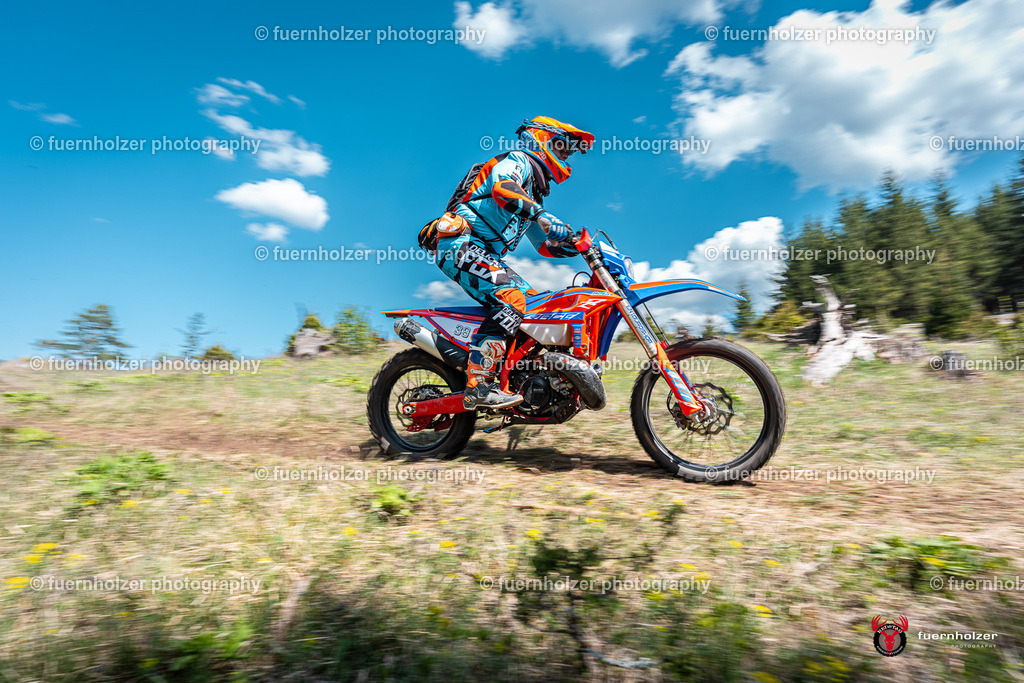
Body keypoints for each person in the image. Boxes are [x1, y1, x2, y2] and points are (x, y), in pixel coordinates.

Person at [433, 116, 594, 410]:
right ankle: (479, 386)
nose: (565, 156)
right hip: (460, 244)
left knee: (537, 305)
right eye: (563, 148)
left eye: (569, 153)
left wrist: (576, 248)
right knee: (511, 299)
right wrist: (544, 217)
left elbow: (543, 246)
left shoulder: (532, 193)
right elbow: (503, 189)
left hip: (483, 253)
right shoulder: (516, 161)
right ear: (542, 140)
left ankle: (521, 380)